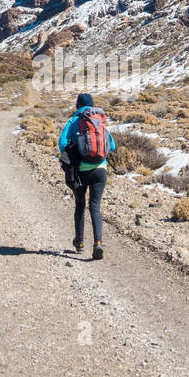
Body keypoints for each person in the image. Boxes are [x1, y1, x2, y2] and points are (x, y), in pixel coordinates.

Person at [58, 92, 115, 260]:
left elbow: (62, 144)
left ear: (77, 105)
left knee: (80, 205)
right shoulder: (100, 120)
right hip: (100, 170)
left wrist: (74, 152)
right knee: (95, 206)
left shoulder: (74, 121)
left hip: (81, 172)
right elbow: (111, 145)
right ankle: (98, 243)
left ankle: (80, 243)